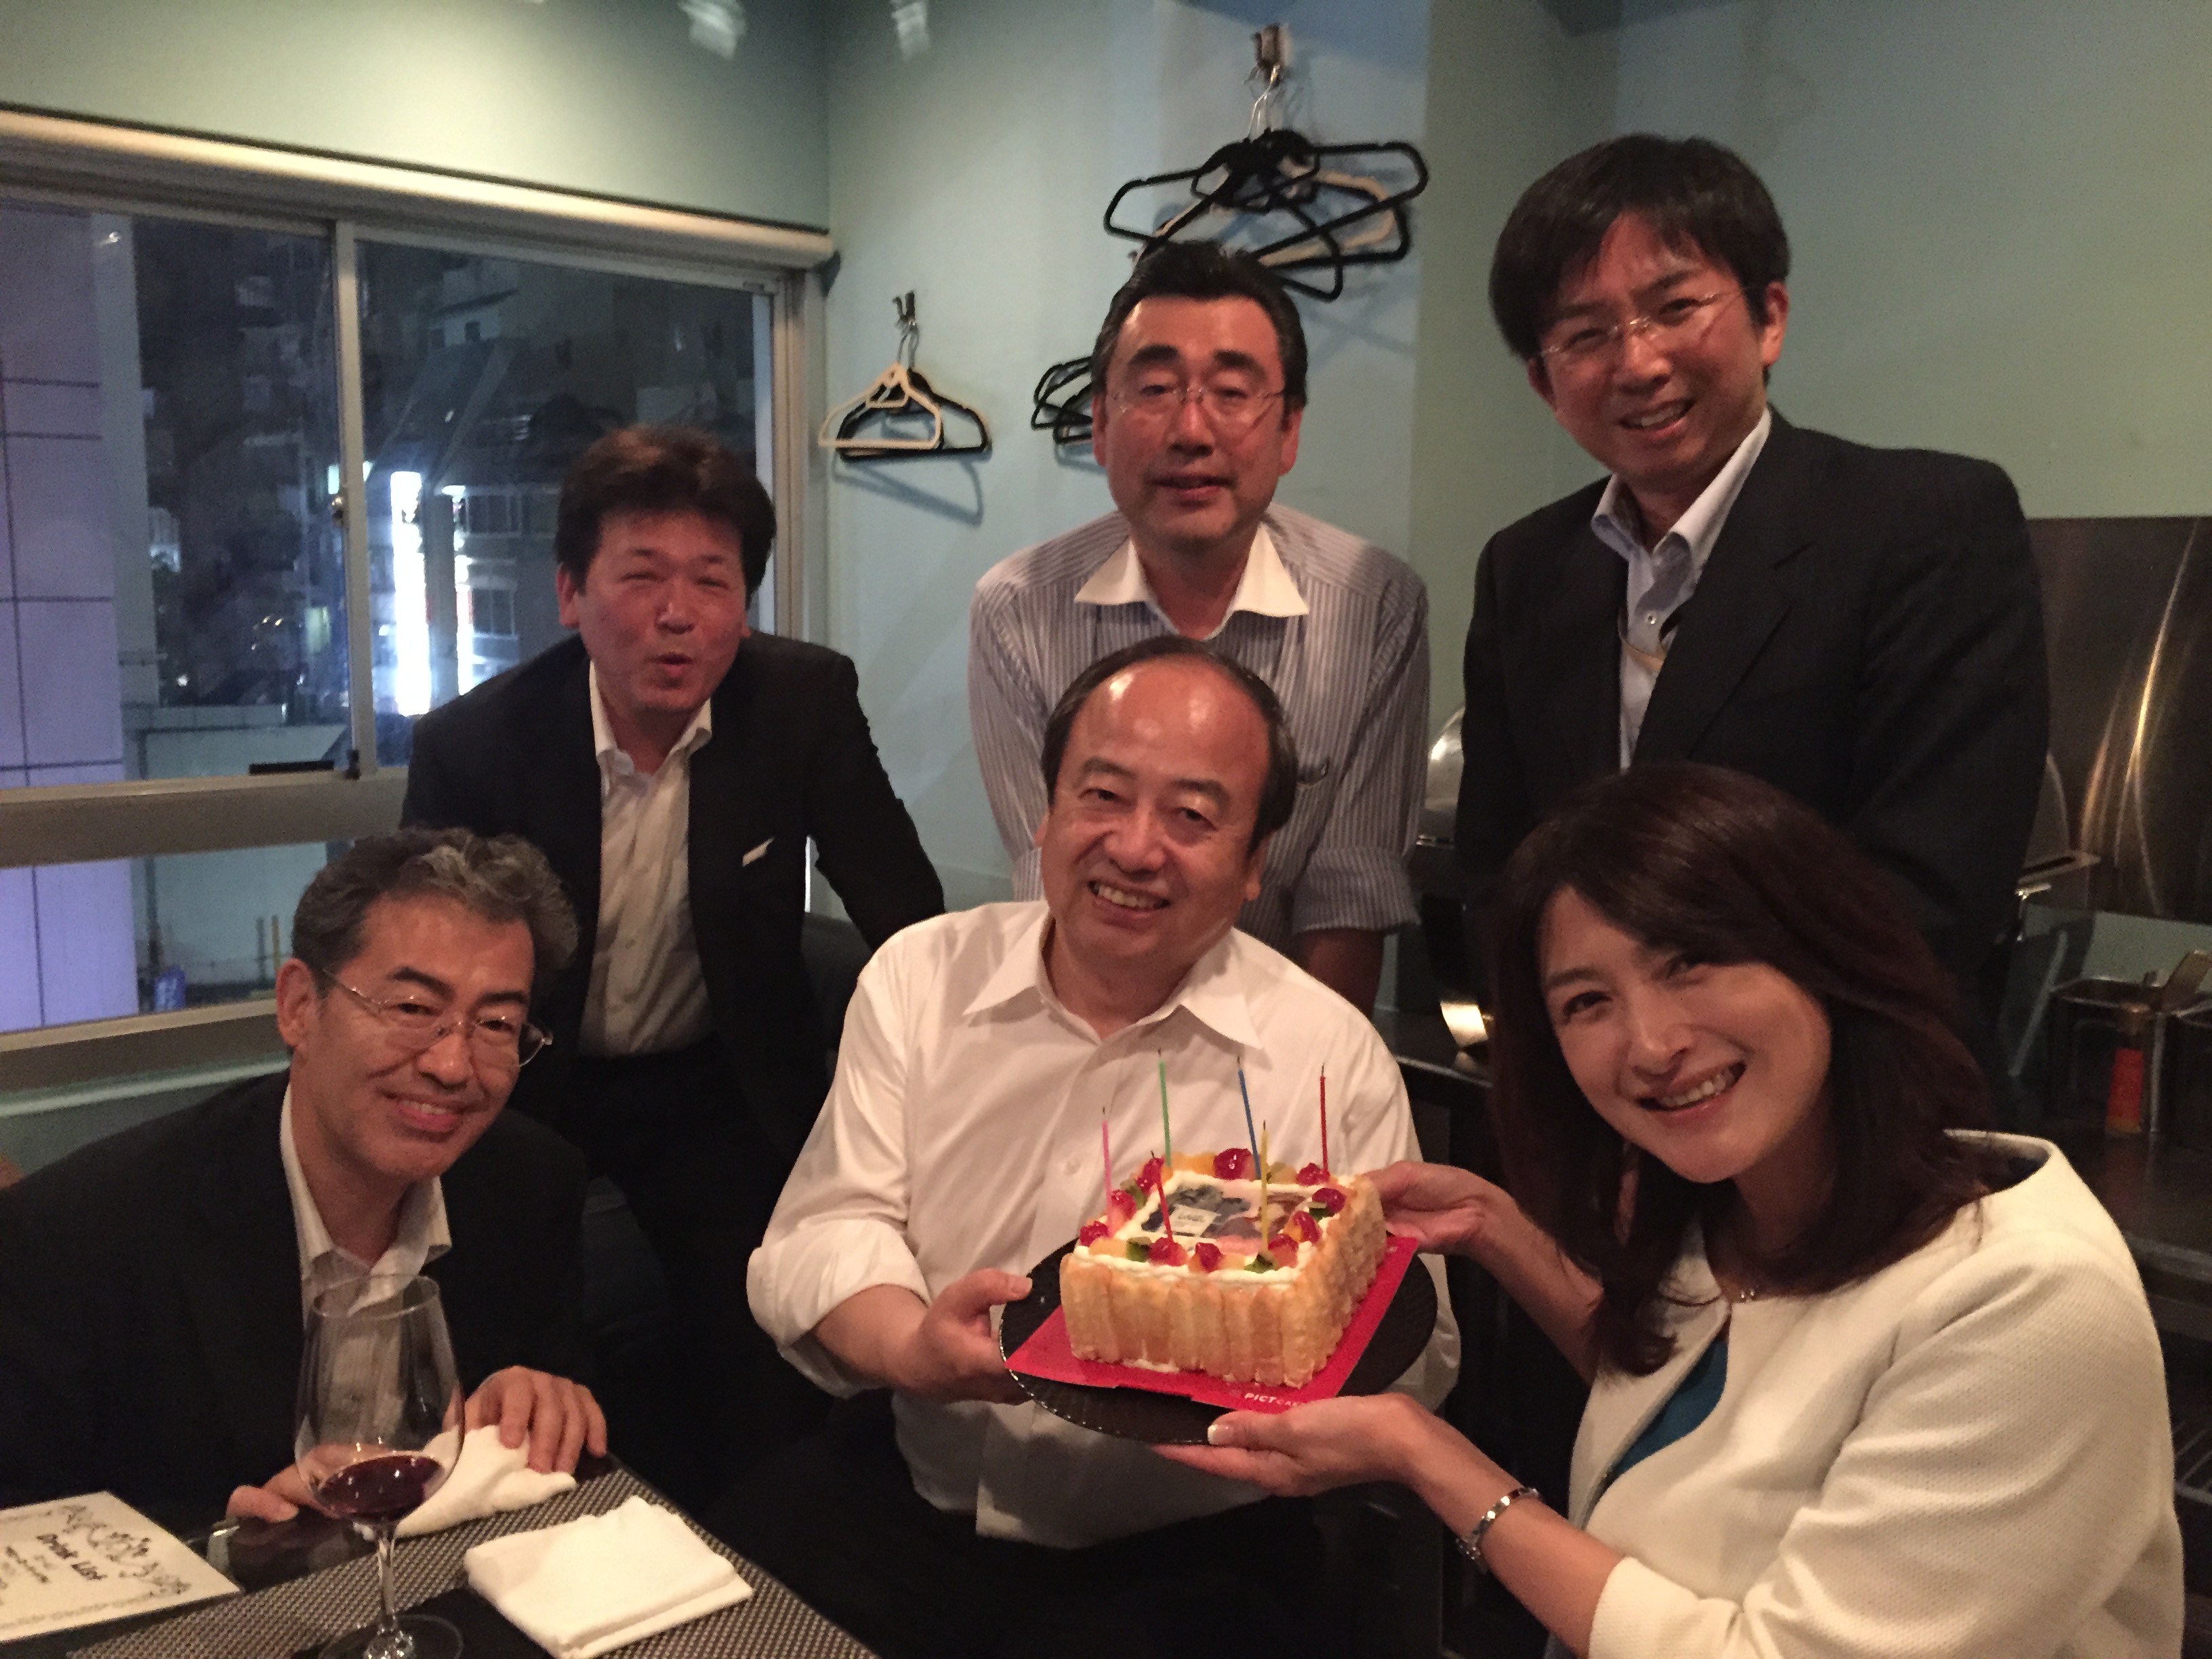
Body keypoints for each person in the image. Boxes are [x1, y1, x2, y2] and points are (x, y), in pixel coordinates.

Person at [1168, 763, 2180, 1659]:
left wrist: (1425, 1456)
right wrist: (1493, 1227)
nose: (1652, 1044)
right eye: (1587, 1002)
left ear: (1822, 950)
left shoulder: (2028, 1305)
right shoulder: (1730, 1208)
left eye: (1689, 961)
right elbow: (1699, 1406)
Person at [731, 635, 1456, 1659]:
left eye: (1193, 816)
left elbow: (1415, 1347)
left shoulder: (1325, 1052)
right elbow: (830, 1227)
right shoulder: (918, 979)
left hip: (1193, 1552)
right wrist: (912, 1350)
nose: (1135, 847)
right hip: (907, 1491)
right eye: (1103, 796)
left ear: (1256, 863)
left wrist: (1270, 1366)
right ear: (1048, 812)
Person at [403, 424, 944, 1492]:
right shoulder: (479, 745)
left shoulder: (799, 704)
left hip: (714, 1077)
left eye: (713, 580)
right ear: (571, 592)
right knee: (524, 1337)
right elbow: (426, 957)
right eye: (642, 576)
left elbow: (908, 915)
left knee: (758, 1351)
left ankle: (763, 1544)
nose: (679, 612)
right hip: (532, 1082)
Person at [1456, 134, 2047, 1035]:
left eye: (1675, 308)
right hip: (1599, 1090)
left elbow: (1935, 888)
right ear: (1545, 381)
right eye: (1585, 334)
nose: (1639, 363)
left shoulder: (1926, 524)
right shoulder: (1526, 567)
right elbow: (1500, 871)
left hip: (1854, 1085)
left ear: (1769, 316)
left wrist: (1695, 1045)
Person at [0, 829, 606, 1533]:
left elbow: (553, 1438)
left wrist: (540, 1399)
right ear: (298, 1007)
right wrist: (216, 1536)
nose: (451, 1066)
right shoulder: (78, 1237)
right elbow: (21, 1521)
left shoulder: (532, 1184)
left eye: (497, 1023)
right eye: (413, 1009)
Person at [970, 241, 1428, 1015]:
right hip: (1086, 1022)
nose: (1191, 430)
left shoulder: (1374, 603)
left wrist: (1302, 1080)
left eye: (1232, 392)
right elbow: (1055, 885)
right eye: (1154, 389)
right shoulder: (1017, 609)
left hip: (1280, 1039)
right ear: (1101, 424)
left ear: (1288, 430)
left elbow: (1346, 899)